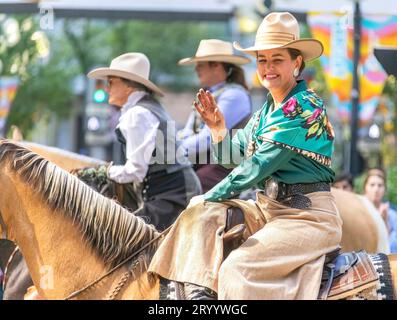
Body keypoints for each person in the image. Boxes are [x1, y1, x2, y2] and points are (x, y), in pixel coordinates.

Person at [148, 12, 343, 299]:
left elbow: (257, 167)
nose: (268, 68)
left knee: (238, 269)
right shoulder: (265, 111)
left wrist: (209, 194)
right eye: (262, 60)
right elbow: (234, 157)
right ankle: (194, 293)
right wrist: (217, 129)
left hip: (307, 218)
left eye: (277, 59)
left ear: (297, 63)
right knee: (204, 215)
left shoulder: (303, 107)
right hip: (268, 211)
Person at [86, 52, 202, 230]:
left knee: (119, 235)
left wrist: (107, 172)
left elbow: (136, 171)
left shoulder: (137, 114)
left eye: (110, 82)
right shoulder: (145, 108)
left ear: (127, 86)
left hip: (174, 197)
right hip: (172, 193)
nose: (106, 88)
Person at [177, 39, 252, 192]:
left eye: (201, 64)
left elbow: (207, 138)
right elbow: (188, 132)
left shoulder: (234, 95)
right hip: (206, 161)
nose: (196, 69)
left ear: (217, 66)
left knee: (186, 188)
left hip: (228, 166)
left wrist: (173, 151)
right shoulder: (207, 93)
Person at [363, 168, 397, 253]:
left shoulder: (392, 215)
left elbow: (392, 248)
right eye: (372, 185)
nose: (376, 189)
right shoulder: (358, 211)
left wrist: (384, 222)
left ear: (385, 189)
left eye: (380, 185)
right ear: (365, 188)